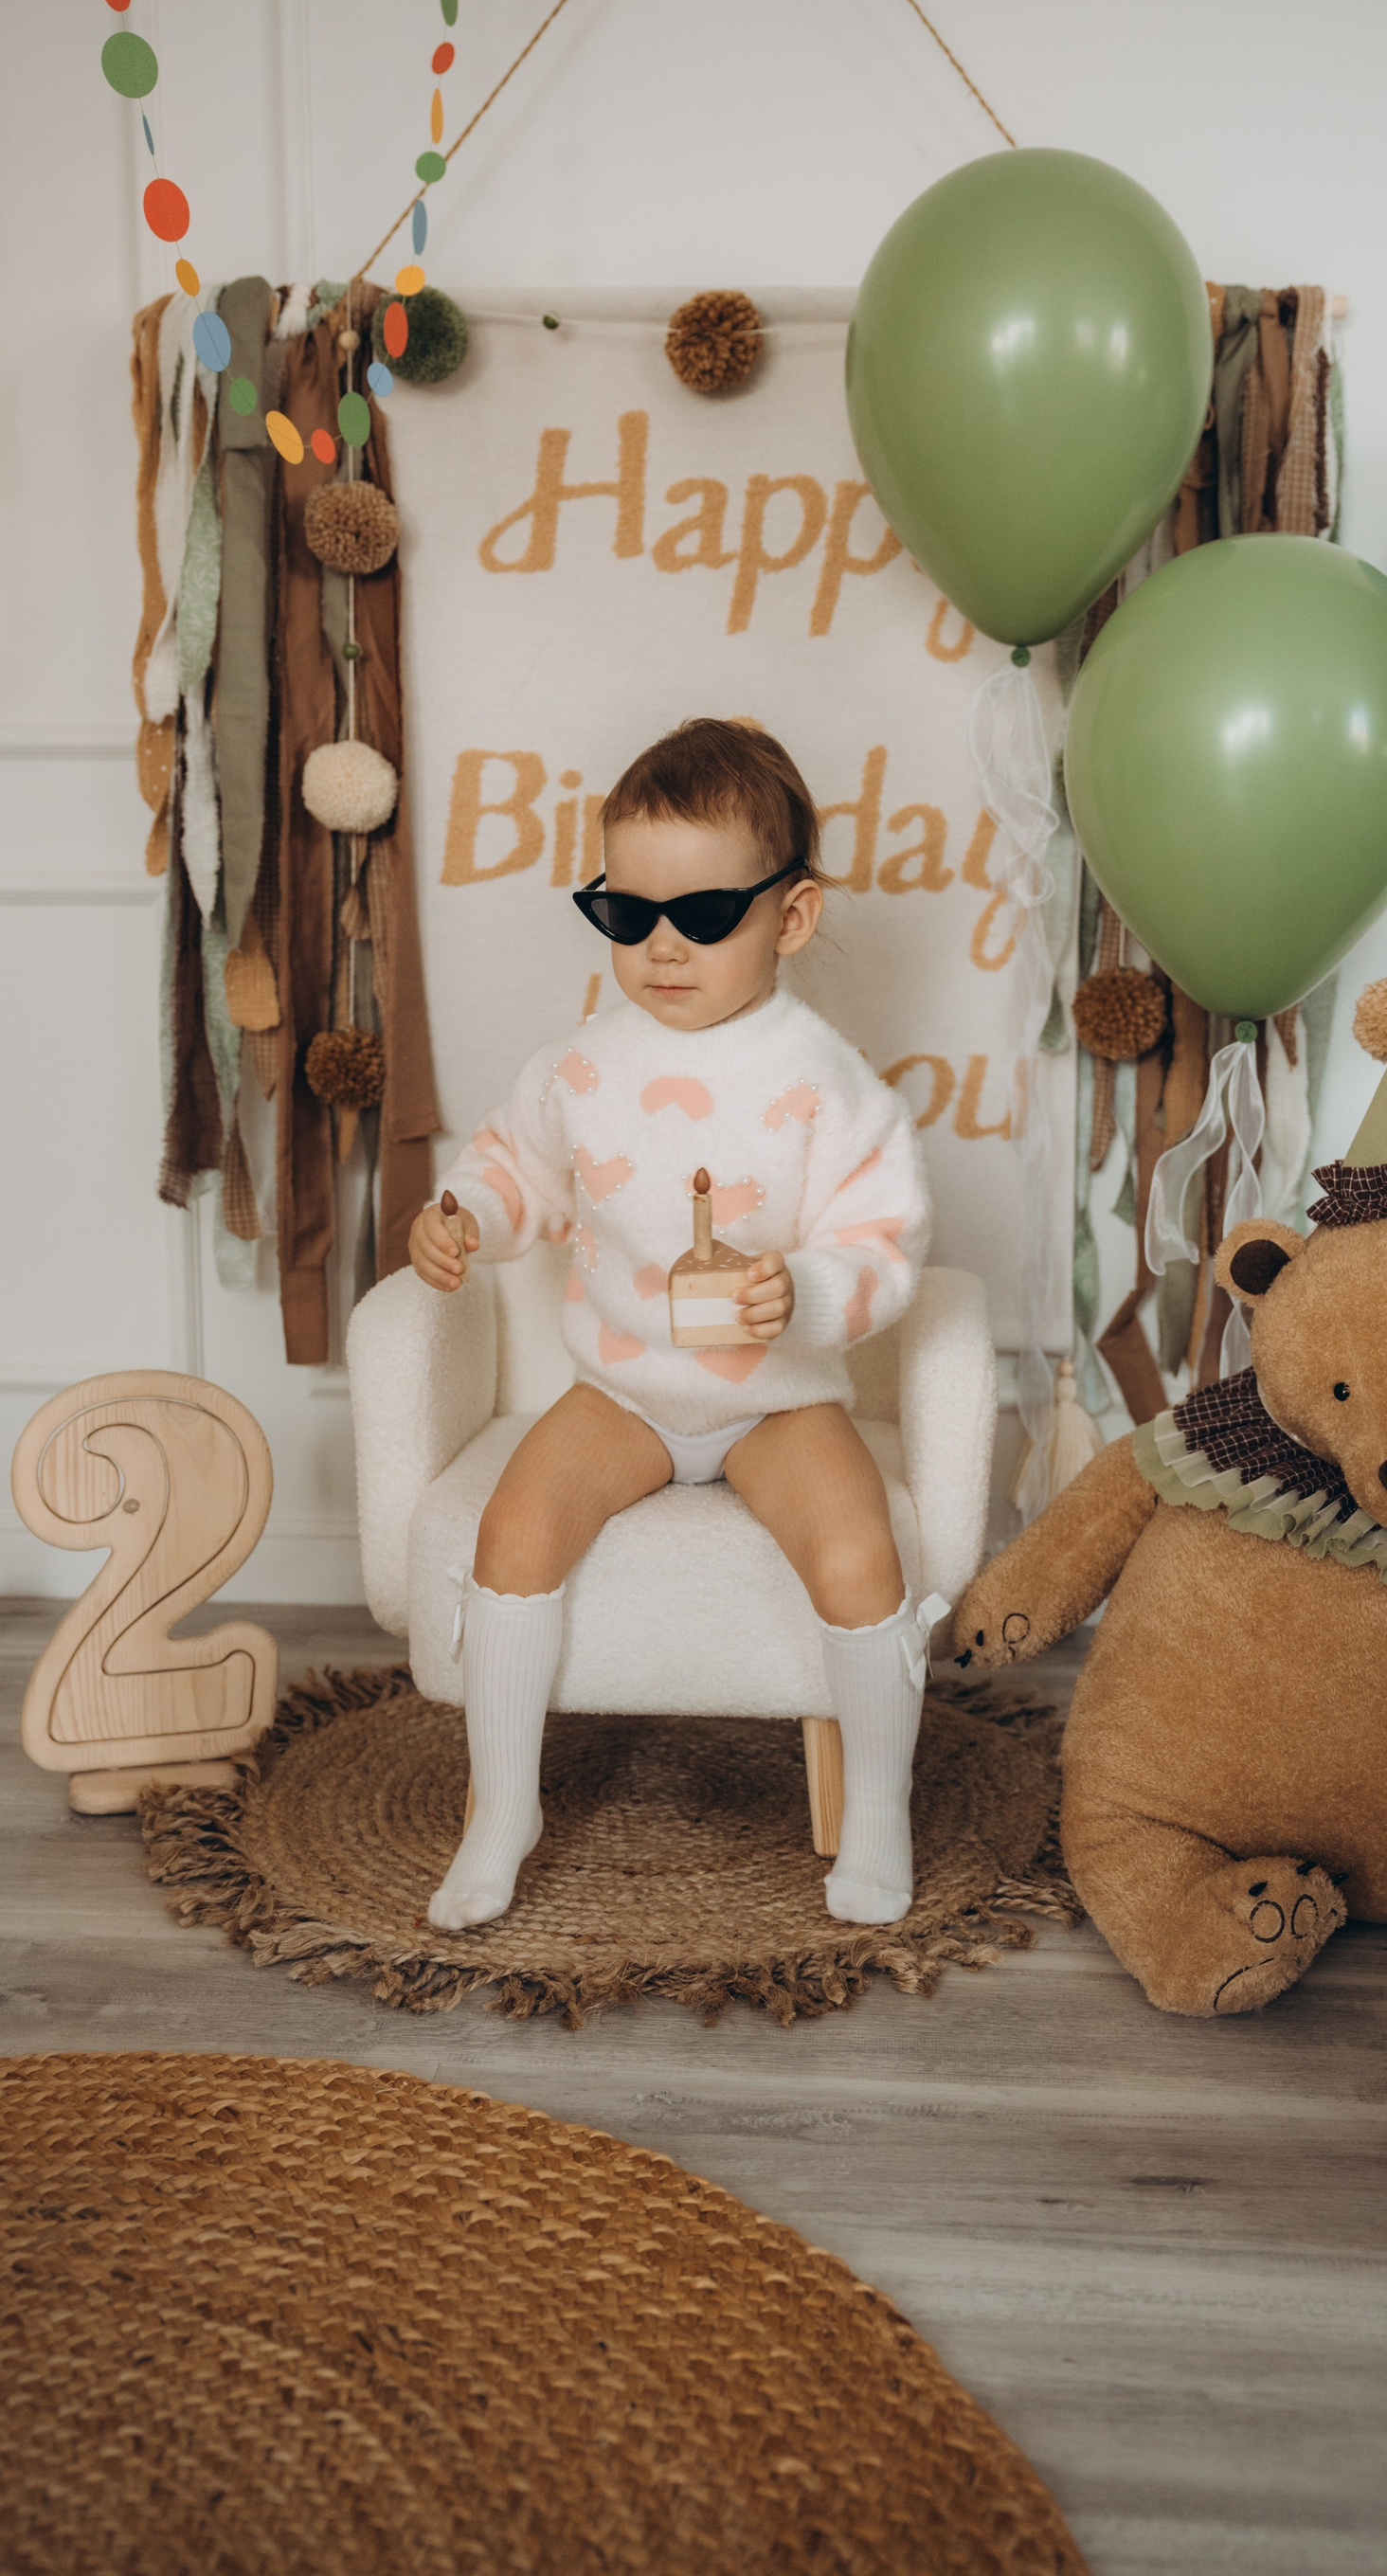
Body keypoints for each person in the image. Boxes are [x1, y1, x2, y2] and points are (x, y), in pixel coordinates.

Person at [409, 716, 938, 1932]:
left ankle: (878, 1810)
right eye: (625, 912)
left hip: (776, 1400)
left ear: (790, 918)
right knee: (514, 1531)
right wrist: (465, 1217)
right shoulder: (579, 1069)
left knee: (860, 1558)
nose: (660, 945)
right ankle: (503, 1810)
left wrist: (805, 1291)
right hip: (628, 1391)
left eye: (701, 916)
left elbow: (885, 1242)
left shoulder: (826, 1081)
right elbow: (518, 1171)